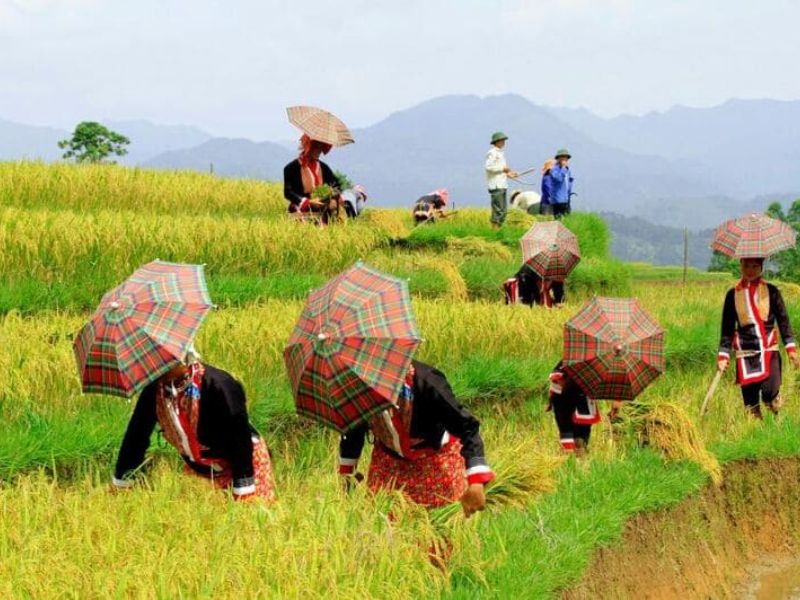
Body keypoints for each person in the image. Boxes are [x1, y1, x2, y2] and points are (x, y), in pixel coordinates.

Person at [112, 349, 276, 502]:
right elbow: (136, 436)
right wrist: (123, 482)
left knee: (248, 517)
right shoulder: (155, 391)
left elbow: (239, 438)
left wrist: (243, 488)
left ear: (180, 357)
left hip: (244, 460)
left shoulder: (219, 384)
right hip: (202, 468)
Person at [338, 360, 495, 515]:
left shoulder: (427, 382)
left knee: (438, 531)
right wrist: (348, 473)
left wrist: (476, 482)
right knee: (384, 529)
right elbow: (353, 429)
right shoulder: (359, 390)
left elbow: (467, 427)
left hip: (434, 466)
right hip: (388, 467)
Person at [718, 257, 799, 419]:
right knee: (750, 404)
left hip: (768, 350)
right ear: (740, 266)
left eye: (755, 266)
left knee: (770, 392)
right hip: (745, 353)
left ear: (761, 267)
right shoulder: (732, 295)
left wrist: (791, 349)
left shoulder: (772, 291)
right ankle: (756, 433)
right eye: (746, 265)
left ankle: (776, 411)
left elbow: (783, 321)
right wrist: (723, 355)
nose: (750, 270)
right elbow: (727, 329)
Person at [548, 361, 622, 455]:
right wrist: (616, 403)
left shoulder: (573, 355)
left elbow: (555, 377)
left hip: (564, 394)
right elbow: (615, 383)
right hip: (576, 395)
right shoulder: (605, 364)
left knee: (567, 430)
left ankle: (572, 452)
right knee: (579, 431)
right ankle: (579, 446)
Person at [283, 134, 342, 223]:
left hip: (322, 206)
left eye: (321, 147)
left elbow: (336, 185)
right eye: (316, 147)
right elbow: (288, 192)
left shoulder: (324, 168)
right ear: (308, 147)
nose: (319, 151)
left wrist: (330, 196)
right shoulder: (291, 168)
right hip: (300, 206)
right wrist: (307, 202)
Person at [485, 132, 518, 228]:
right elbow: (489, 167)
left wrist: (510, 174)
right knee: (498, 210)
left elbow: (501, 170)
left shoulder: (500, 153)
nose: (504, 142)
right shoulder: (492, 153)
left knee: (503, 210)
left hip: (502, 184)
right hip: (496, 185)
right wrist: (503, 169)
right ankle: (494, 230)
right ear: (497, 141)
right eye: (502, 140)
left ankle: (498, 229)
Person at [548, 149, 574, 219]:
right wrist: (563, 168)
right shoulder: (553, 170)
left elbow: (569, 183)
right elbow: (558, 179)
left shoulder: (567, 170)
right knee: (558, 220)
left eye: (566, 157)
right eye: (563, 157)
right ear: (558, 158)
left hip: (566, 199)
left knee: (567, 220)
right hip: (557, 200)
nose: (565, 159)